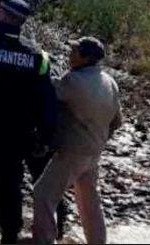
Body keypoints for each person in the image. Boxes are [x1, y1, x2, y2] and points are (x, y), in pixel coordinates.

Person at [0, 0, 57, 244]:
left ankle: (4, 232)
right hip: (22, 129)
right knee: (24, 181)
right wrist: (47, 134)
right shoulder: (37, 55)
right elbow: (47, 98)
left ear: (3, 15)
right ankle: (30, 231)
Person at [33, 37, 122, 245]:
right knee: (89, 201)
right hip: (94, 151)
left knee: (43, 194)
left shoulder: (74, 81)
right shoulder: (110, 82)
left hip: (72, 151)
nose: (70, 54)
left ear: (86, 57)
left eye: (75, 51)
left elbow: (49, 91)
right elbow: (117, 121)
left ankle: (44, 241)